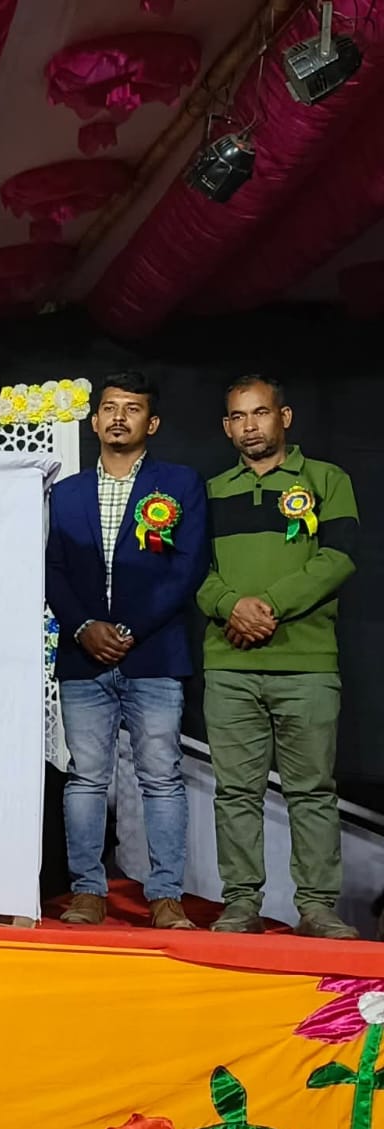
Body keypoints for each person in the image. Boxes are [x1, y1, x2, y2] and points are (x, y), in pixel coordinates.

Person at [45, 371, 208, 930]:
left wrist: (130, 629)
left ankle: (166, 896)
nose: (119, 417)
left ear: (151, 422)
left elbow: (187, 567)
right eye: (110, 407)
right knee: (86, 778)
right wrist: (83, 626)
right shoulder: (65, 492)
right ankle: (87, 891)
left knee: (160, 776)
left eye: (132, 408)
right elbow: (53, 569)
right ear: (94, 420)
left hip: (155, 654)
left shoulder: (180, 484)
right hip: (83, 655)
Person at [198, 374, 359, 939]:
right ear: (227, 427)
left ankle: (317, 908)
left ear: (283, 417)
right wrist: (230, 607)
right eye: (239, 416)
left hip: (307, 665)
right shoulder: (210, 491)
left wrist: (266, 605)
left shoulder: (327, 480)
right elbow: (193, 571)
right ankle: (241, 904)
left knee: (311, 791)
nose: (250, 426)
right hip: (229, 666)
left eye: (260, 413)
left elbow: (338, 558)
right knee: (235, 793)